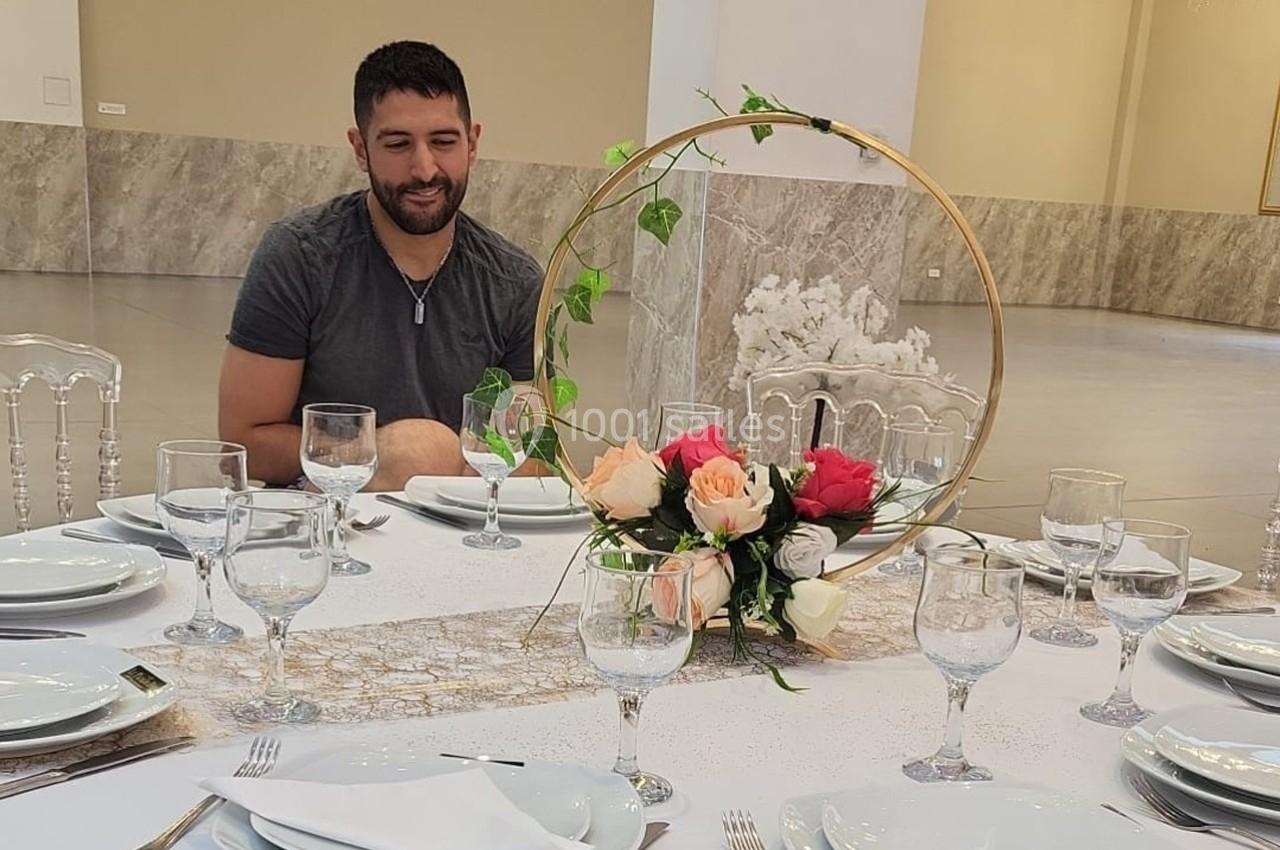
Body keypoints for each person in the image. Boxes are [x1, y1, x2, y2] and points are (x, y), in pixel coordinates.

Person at [218, 41, 542, 489]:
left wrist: (458, 470)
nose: (424, 168)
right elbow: (244, 444)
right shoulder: (299, 258)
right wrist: (379, 456)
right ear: (360, 148)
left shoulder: (515, 283)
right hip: (320, 526)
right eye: (397, 144)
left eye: (443, 141)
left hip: (459, 533)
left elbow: (533, 455)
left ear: (472, 143)